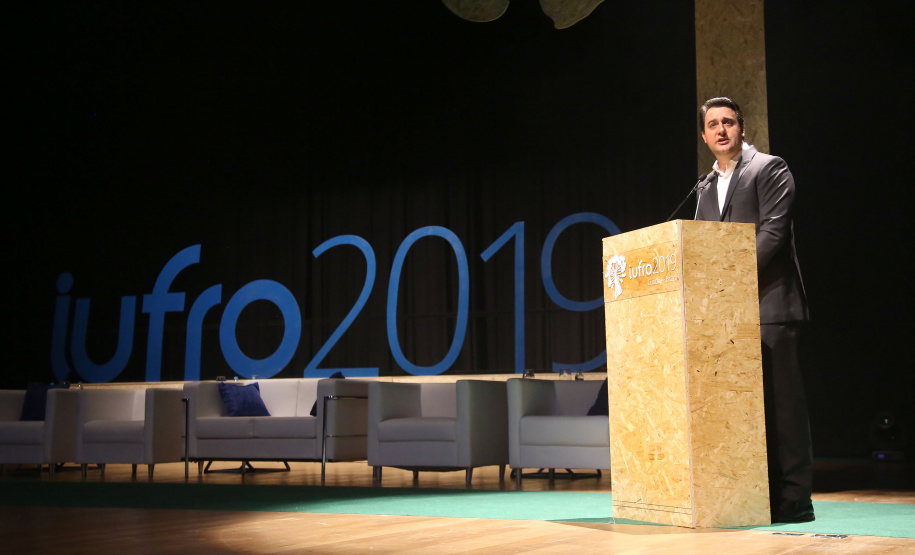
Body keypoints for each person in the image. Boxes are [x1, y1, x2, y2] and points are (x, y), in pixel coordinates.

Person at [694, 97, 814, 523]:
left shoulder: (769, 168)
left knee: (783, 409)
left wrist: (728, 278)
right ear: (705, 135)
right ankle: (759, 495)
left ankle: (796, 500)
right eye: (713, 124)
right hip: (727, 317)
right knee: (747, 412)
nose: (721, 130)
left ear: (742, 128)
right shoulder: (705, 187)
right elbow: (700, 248)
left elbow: (774, 232)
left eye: (728, 121)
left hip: (771, 307)